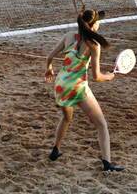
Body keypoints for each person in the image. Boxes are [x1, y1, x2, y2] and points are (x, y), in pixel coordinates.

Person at [44, 9, 124, 172]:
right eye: (98, 21)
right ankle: (107, 164)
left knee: (67, 117)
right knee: (101, 124)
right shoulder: (94, 45)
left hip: (60, 84)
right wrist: (109, 76)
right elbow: (96, 77)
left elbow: (49, 57)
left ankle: (55, 150)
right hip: (77, 87)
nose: (100, 23)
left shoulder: (69, 36)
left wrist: (49, 69)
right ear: (93, 25)